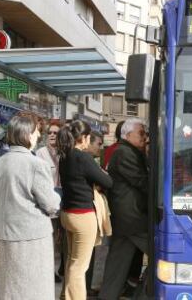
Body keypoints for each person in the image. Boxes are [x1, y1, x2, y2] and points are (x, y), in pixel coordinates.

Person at [0, 114, 61, 300]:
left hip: (5, 233)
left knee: (9, 288)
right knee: (33, 288)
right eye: (37, 132)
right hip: (32, 236)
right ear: (28, 135)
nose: (38, 136)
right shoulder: (36, 164)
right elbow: (51, 204)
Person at [57, 120, 113, 300]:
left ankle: (66, 296)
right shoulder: (83, 157)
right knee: (79, 267)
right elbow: (108, 182)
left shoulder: (64, 155)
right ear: (84, 138)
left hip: (67, 214)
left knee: (71, 261)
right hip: (83, 216)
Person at [99, 118, 149, 300]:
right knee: (164, 252)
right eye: (141, 133)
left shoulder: (128, 151)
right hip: (132, 218)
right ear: (128, 135)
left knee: (117, 264)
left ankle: (107, 296)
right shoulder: (124, 153)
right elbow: (142, 181)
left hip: (126, 217)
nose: (145, 137)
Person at [36, 121, 63, 283]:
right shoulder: (41, 153)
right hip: (49, 198)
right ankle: (49, 270)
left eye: (56, 133)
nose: (52, 135)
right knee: (50, 236)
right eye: (50, 133)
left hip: (64, 197)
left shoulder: (64, 152)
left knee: (62, 237)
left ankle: (61, 267)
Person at [84, 130, 104, 296]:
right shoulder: (87, 160)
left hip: (78, 211)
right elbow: (106, 181)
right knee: (85, 256)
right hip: (84, 213)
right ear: (87, 142)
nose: (100, 148)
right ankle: (84, 290)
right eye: (98, 144)